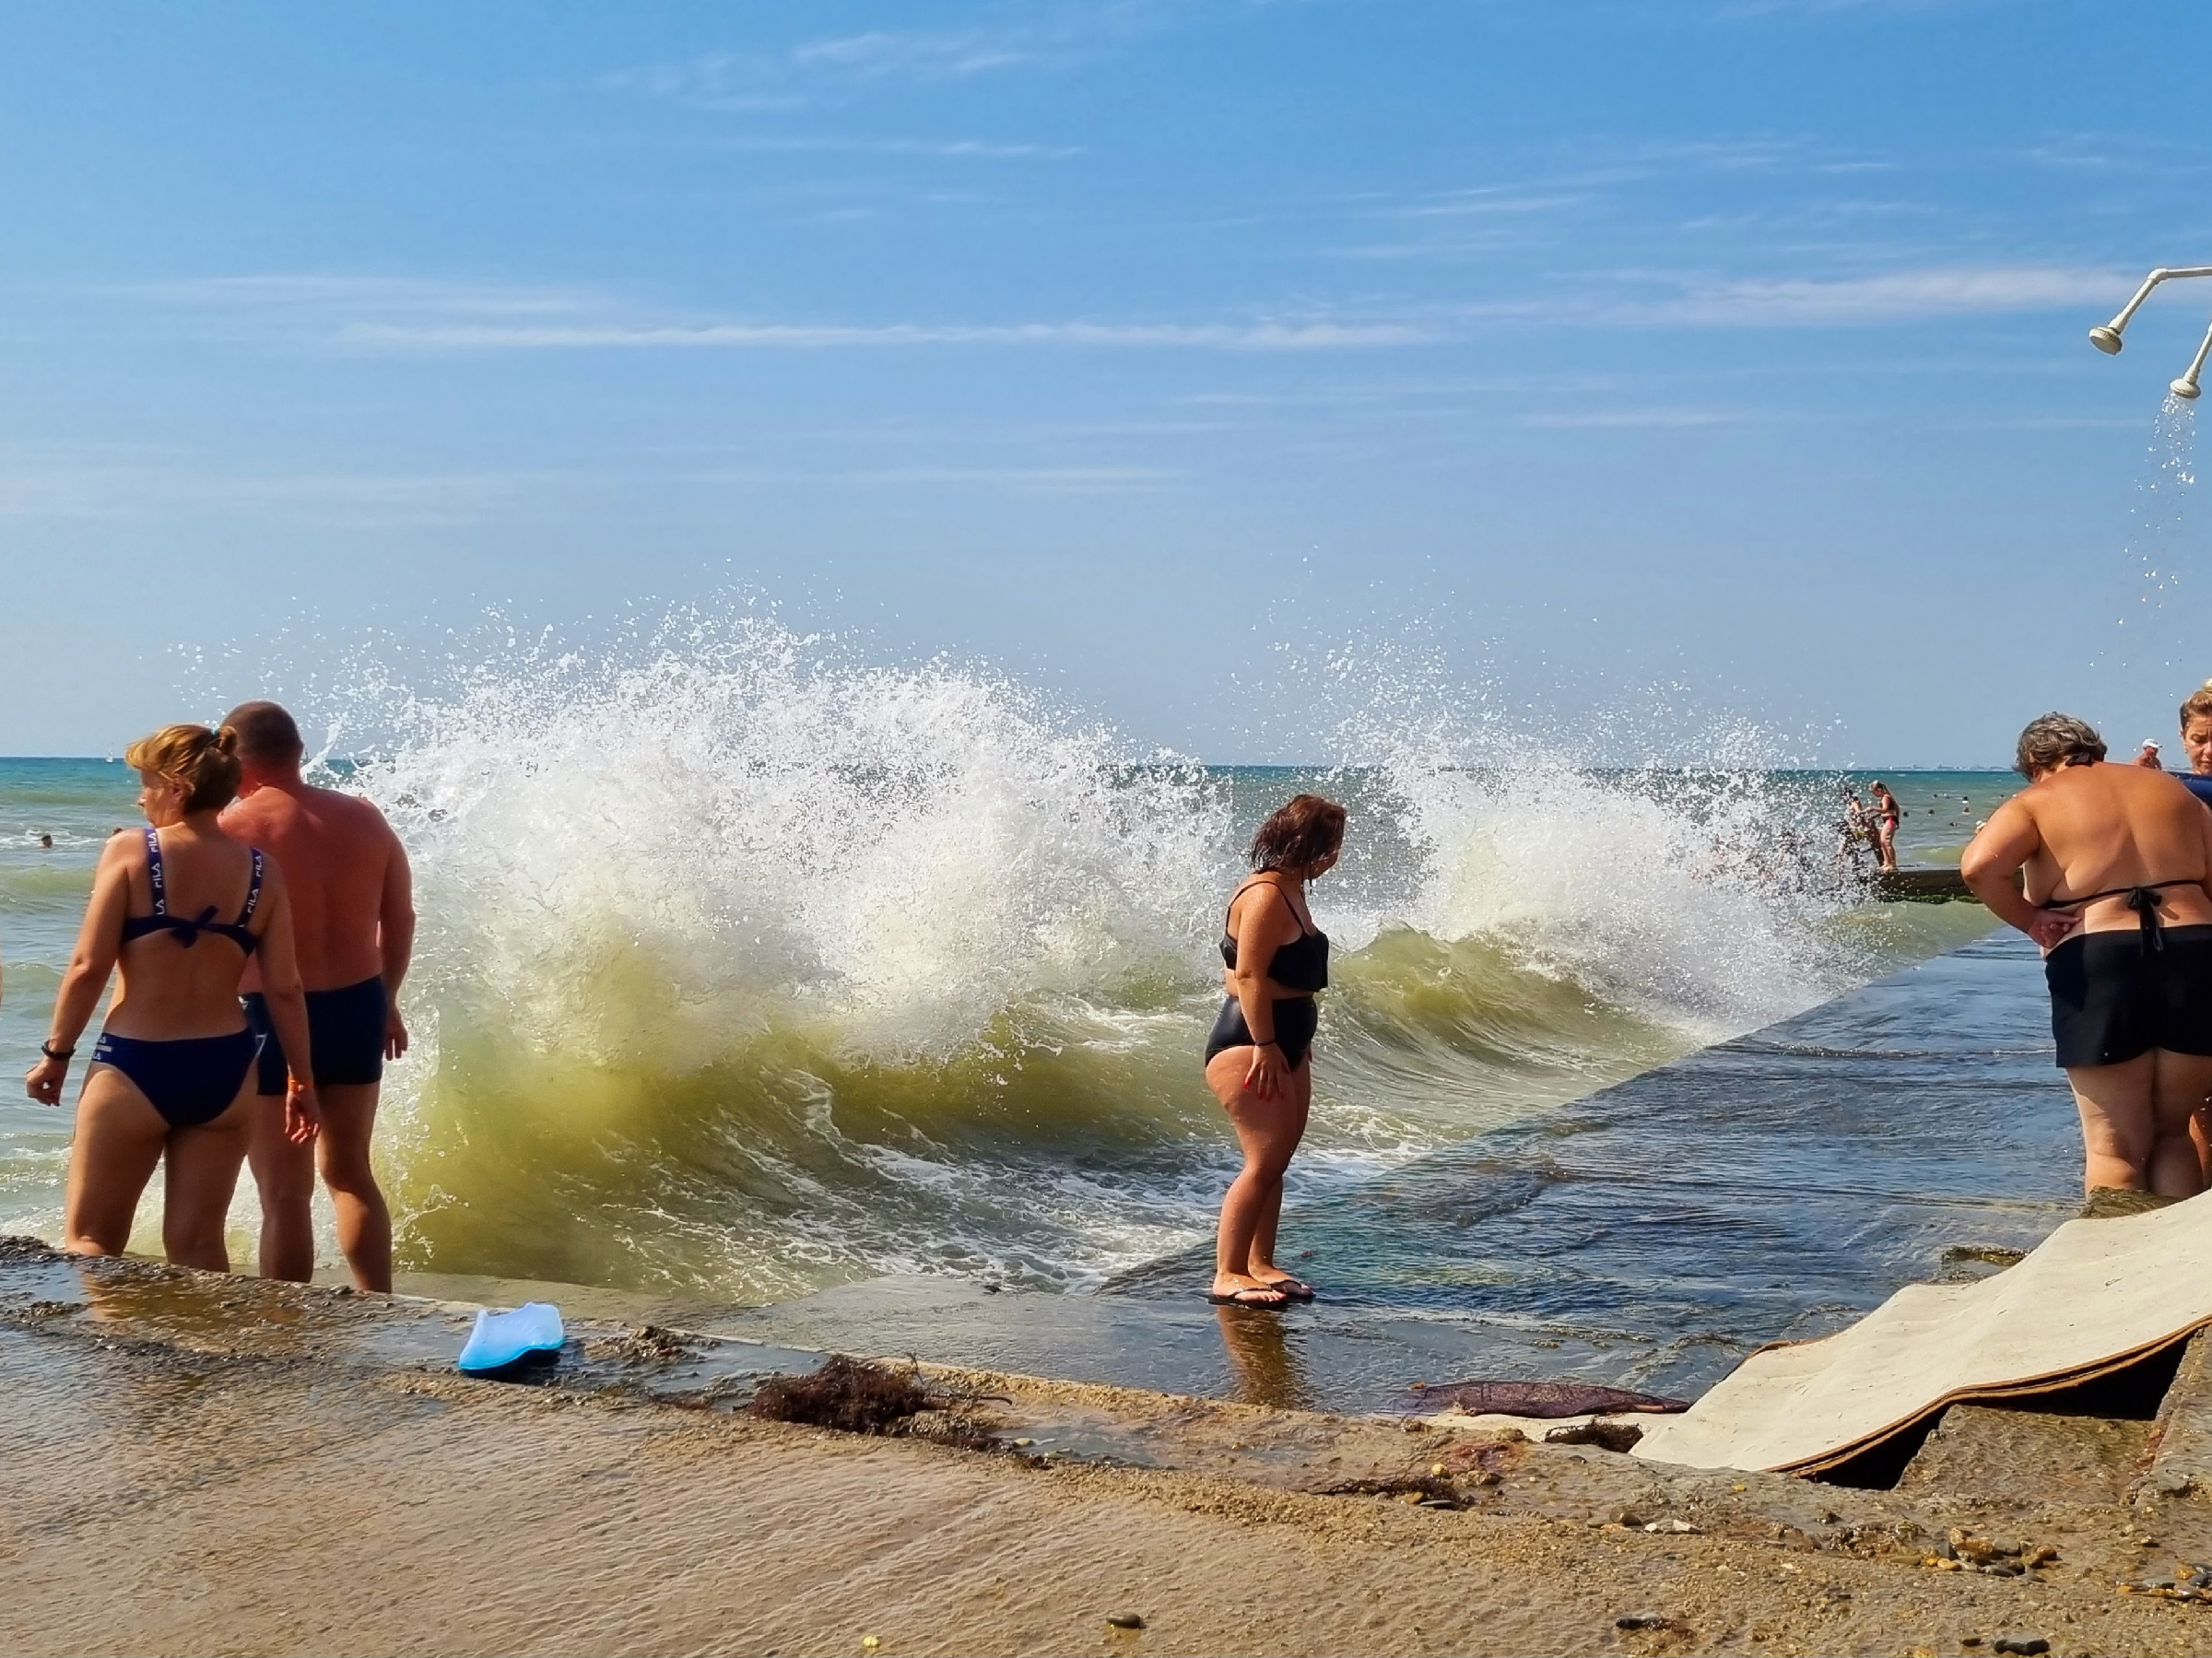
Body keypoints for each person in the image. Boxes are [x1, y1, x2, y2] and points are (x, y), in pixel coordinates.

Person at [23, 724, 320, 1267]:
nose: (141, 796)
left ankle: (103, 1353)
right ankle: (207, 1352)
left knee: (91, 1241)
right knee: (199, 1245)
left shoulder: (131, 851)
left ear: (178, 788)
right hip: (226, 1069)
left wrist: (56, 1054)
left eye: (147, 783)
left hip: (137, 1064)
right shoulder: (261, 870)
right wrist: (301, 1078)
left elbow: (90, 965)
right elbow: (284, 986)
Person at [1961, 713, 2212, 1199]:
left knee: (2114, 1149)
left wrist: (2031, 920)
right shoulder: (2170, 789)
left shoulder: (2035, 801)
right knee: (2172, 1132)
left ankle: (2113, 1266)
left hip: (2101, 955)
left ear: (2035, 763)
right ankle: (2177, 1263)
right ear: (2097, 748)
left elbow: (1977, 868)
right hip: (2194, 949)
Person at [220, 700, 415, 1294]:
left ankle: (288, 1325)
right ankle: (378, 1304)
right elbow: (399, 918)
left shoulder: (233, 829)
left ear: (232, 756)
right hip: (357, 1006)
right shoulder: (364, 818)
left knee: (283, 1193)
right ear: (299, 752)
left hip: (271, 1017)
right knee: (352, 1175)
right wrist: (386, 998)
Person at [1203, 794, 1344, 1310]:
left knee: (1276, 1161)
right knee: (1261, 1162)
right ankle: (1227, 1273)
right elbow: (1248, 976)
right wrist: (1265, 1045)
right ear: (1312, 847)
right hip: (1248, 1041)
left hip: (1287, 1041)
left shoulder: (1291, 890)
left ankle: (1259, 1263)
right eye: (1332, 847)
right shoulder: (1264, 896)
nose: (1335, 858)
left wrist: (1295, 1044)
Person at [1868, 782, 1901, 873]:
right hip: (1890, 819)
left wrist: (1873, 808)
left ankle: (1892, 864)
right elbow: (1896, 808)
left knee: (1886, 841)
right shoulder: (1887, 797)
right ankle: (1886, 863)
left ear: (1879, 790)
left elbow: (1885, 809)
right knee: (1882, 841)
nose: (1874, 794)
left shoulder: (1886, 797)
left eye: (1874, 792)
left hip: (1890, 820)